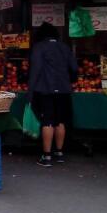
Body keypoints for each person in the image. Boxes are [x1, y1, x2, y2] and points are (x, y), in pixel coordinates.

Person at [28, 22, 78, 167]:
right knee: (60, 121)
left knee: (48, 121)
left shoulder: (39, 48)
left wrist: (30, 93)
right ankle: (59, 152)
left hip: (45, 89)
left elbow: (35, 70)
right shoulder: (65, 47)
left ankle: (47, 156)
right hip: (63, 89)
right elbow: (74, 68)